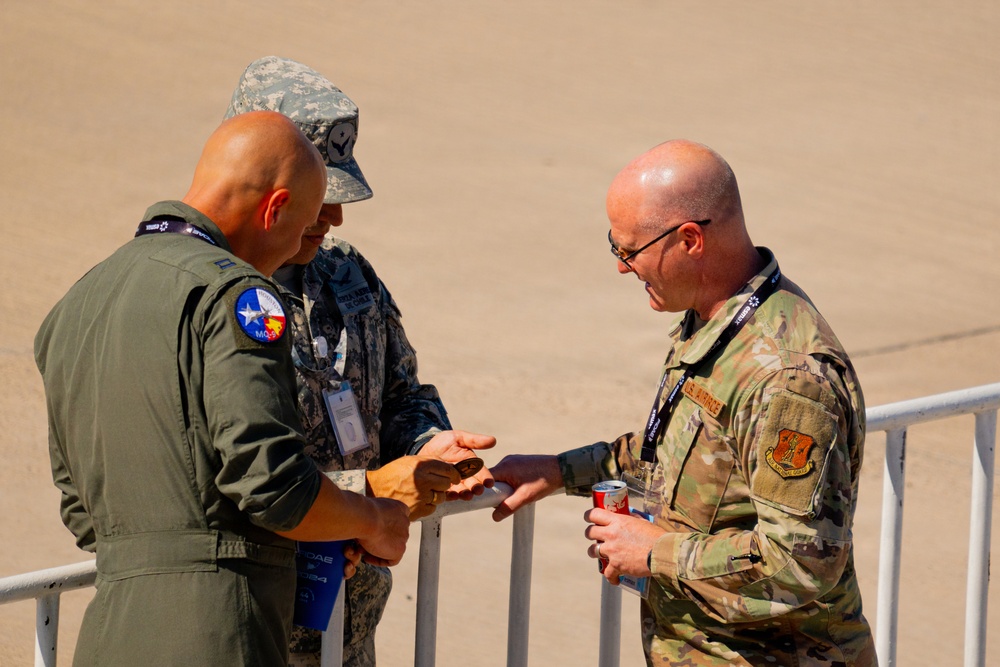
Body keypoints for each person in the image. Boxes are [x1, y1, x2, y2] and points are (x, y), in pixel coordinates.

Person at [34, 111, 411, 667]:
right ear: (275, 208)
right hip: (223, 635)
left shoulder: (76, 305)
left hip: (111, 635)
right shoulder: (237, 294)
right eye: (302, 226)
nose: (292, 253)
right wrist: (371, 520)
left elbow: (82, 511)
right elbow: (274, 483)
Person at [491, 140, 877, 665]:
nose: (623, 268)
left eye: (630, 251)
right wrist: (561, 471)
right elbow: (683, 455)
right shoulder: (715, 319)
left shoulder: (787, 379)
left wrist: (653, 551)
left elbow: (803, 562)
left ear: (690, 240)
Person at [224, 56, 497, 667]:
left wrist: (428, 445)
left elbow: (402, 392)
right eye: (320, 195)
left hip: (351, 624)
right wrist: (366, 495)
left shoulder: (347, 269)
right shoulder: (214, 295)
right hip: (254, 627)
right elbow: (236, 478)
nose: (335, 215)